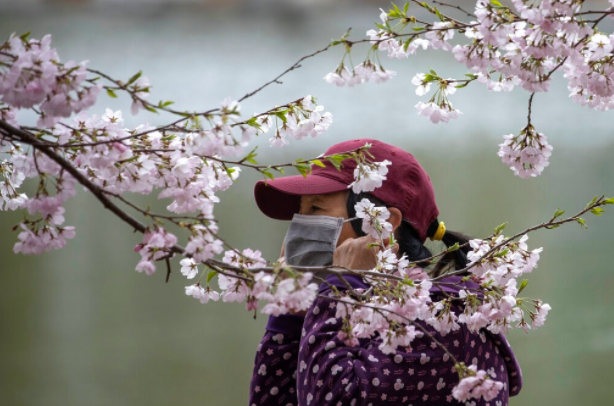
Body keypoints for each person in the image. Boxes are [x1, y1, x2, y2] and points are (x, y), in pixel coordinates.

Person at [248, 139, 522, 406]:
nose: (299, 227)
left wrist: (338, 290)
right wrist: (290, 316)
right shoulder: (342, 309)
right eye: (301, 212)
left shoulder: (440, 321)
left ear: (383, 224)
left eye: (316, 208)